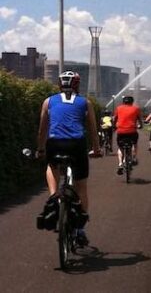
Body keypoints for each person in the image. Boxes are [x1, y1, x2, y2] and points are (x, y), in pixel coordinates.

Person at [36, 70, 101, 246]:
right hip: (77, 145)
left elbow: (43, 129)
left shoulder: (48, 101)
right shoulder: (85, 102)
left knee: (51, 166)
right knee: (82, 187)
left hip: (55, 142)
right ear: (77, 85)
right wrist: (96, 149)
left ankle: (53, 196)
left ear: (59, 84)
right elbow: (93, 130)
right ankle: (80, 230)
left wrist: (41, 149)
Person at [113, 95, 142, 175]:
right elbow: (139, 119)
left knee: (120, 148)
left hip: (121, 132)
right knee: (134, 144)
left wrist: (114, 126)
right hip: (132, 132)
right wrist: (140, 125)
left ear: (123, 102)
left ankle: (120, 164)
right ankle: (134, 157)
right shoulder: (136, 109)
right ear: (132, 102)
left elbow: (115, 119)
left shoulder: (118, 108)